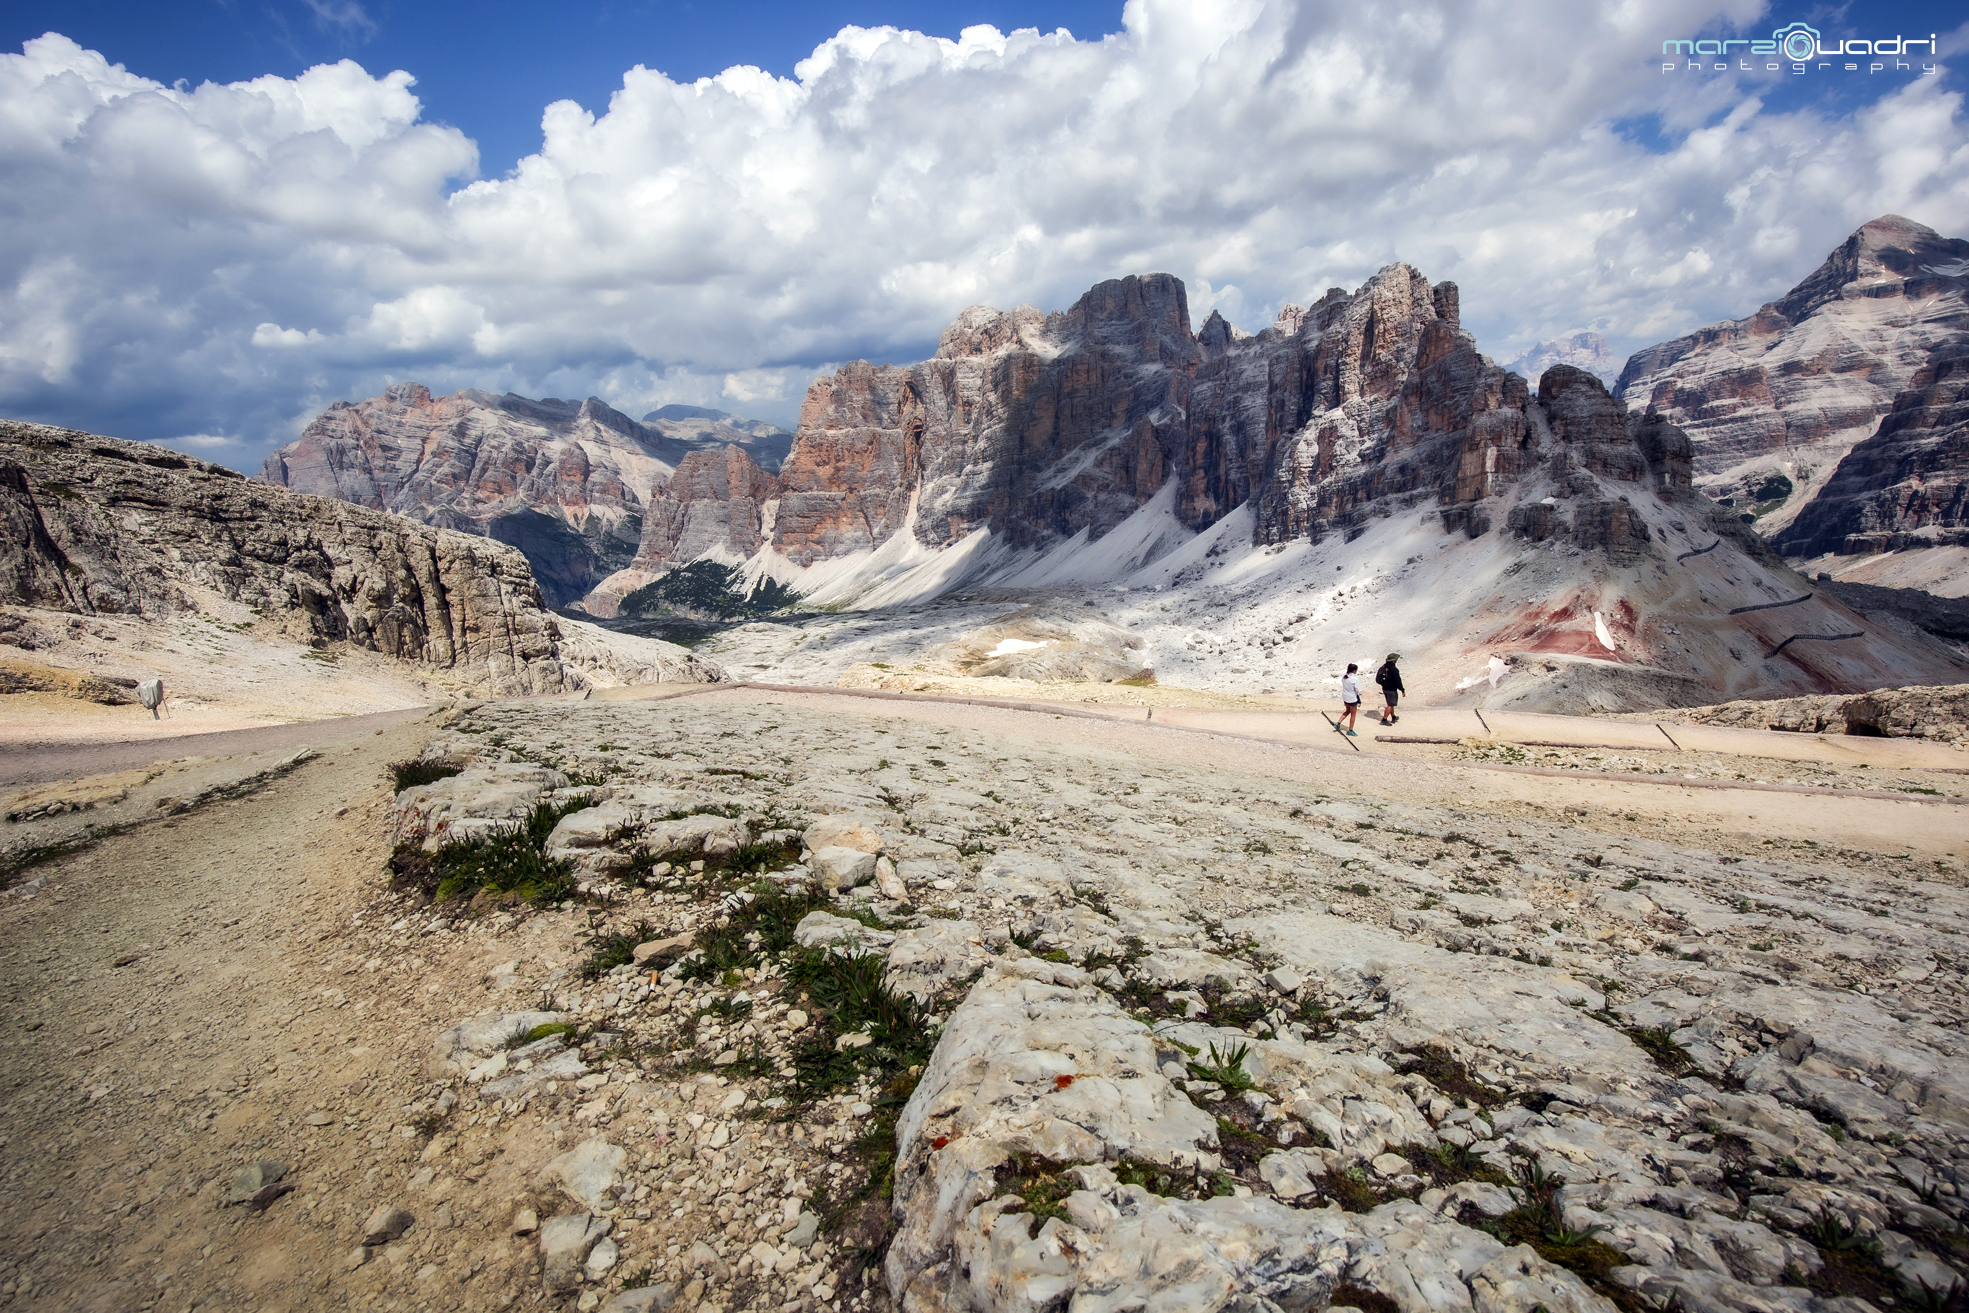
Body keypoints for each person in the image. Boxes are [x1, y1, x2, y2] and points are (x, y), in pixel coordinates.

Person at [1375, 652, 1404, 725]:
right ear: (1393, 661)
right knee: (1390, 705)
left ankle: (1393, 717)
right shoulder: (1394, 670)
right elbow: (1398, 681)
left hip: (1385, 689)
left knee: (1390, 703)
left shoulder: (1383, 667)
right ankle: (1384, 720)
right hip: (1392, 690)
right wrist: (1402, 690)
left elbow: (1378, 679)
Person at [1338, 663, 1362, 736]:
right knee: (1353, 714)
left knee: (1347, 711)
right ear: (1354, 671)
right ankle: (1350, 730)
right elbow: (1357, 689)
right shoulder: (1355, 679)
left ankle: (1338, 723)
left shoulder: (1344, 676)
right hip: (1352, 698)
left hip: (1345, 696)